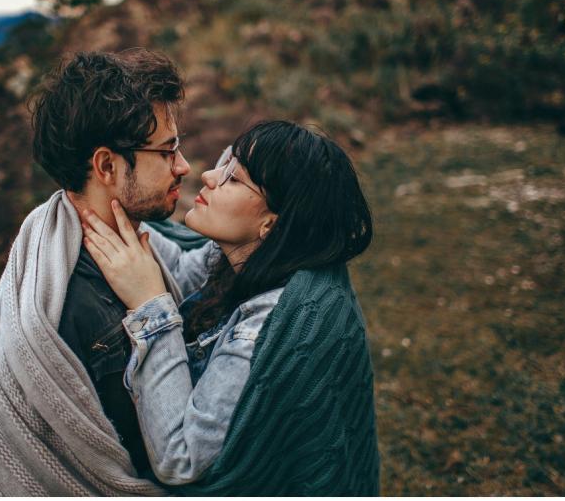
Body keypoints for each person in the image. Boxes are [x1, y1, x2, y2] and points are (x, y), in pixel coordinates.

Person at [0, 49, 214, 495]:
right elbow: (163, 459)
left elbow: (192, 269)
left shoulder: (101, 237)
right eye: (167, 150)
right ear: (107, 166)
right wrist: (153, 306)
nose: (183, 166)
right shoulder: (88, 308)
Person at [80, 120, 380, 495]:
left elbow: (181, 458)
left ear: (271, 223)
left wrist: (149, 305)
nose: (208, 176)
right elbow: (178, 269)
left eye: (234, 178)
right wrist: (99, 200)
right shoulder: (252, 257)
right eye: (225, 164)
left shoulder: (266, 328)